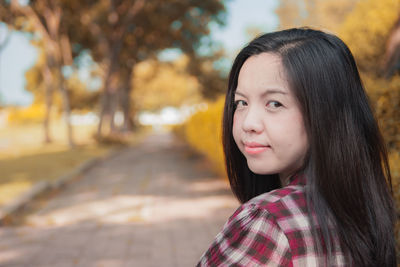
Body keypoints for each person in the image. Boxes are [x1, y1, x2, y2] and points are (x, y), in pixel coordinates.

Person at [196, 28, 397, 266]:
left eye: (274, 103)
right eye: (241, 102)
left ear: (326, 113)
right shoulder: (365, 212)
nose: (248, 123)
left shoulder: (269, 220)